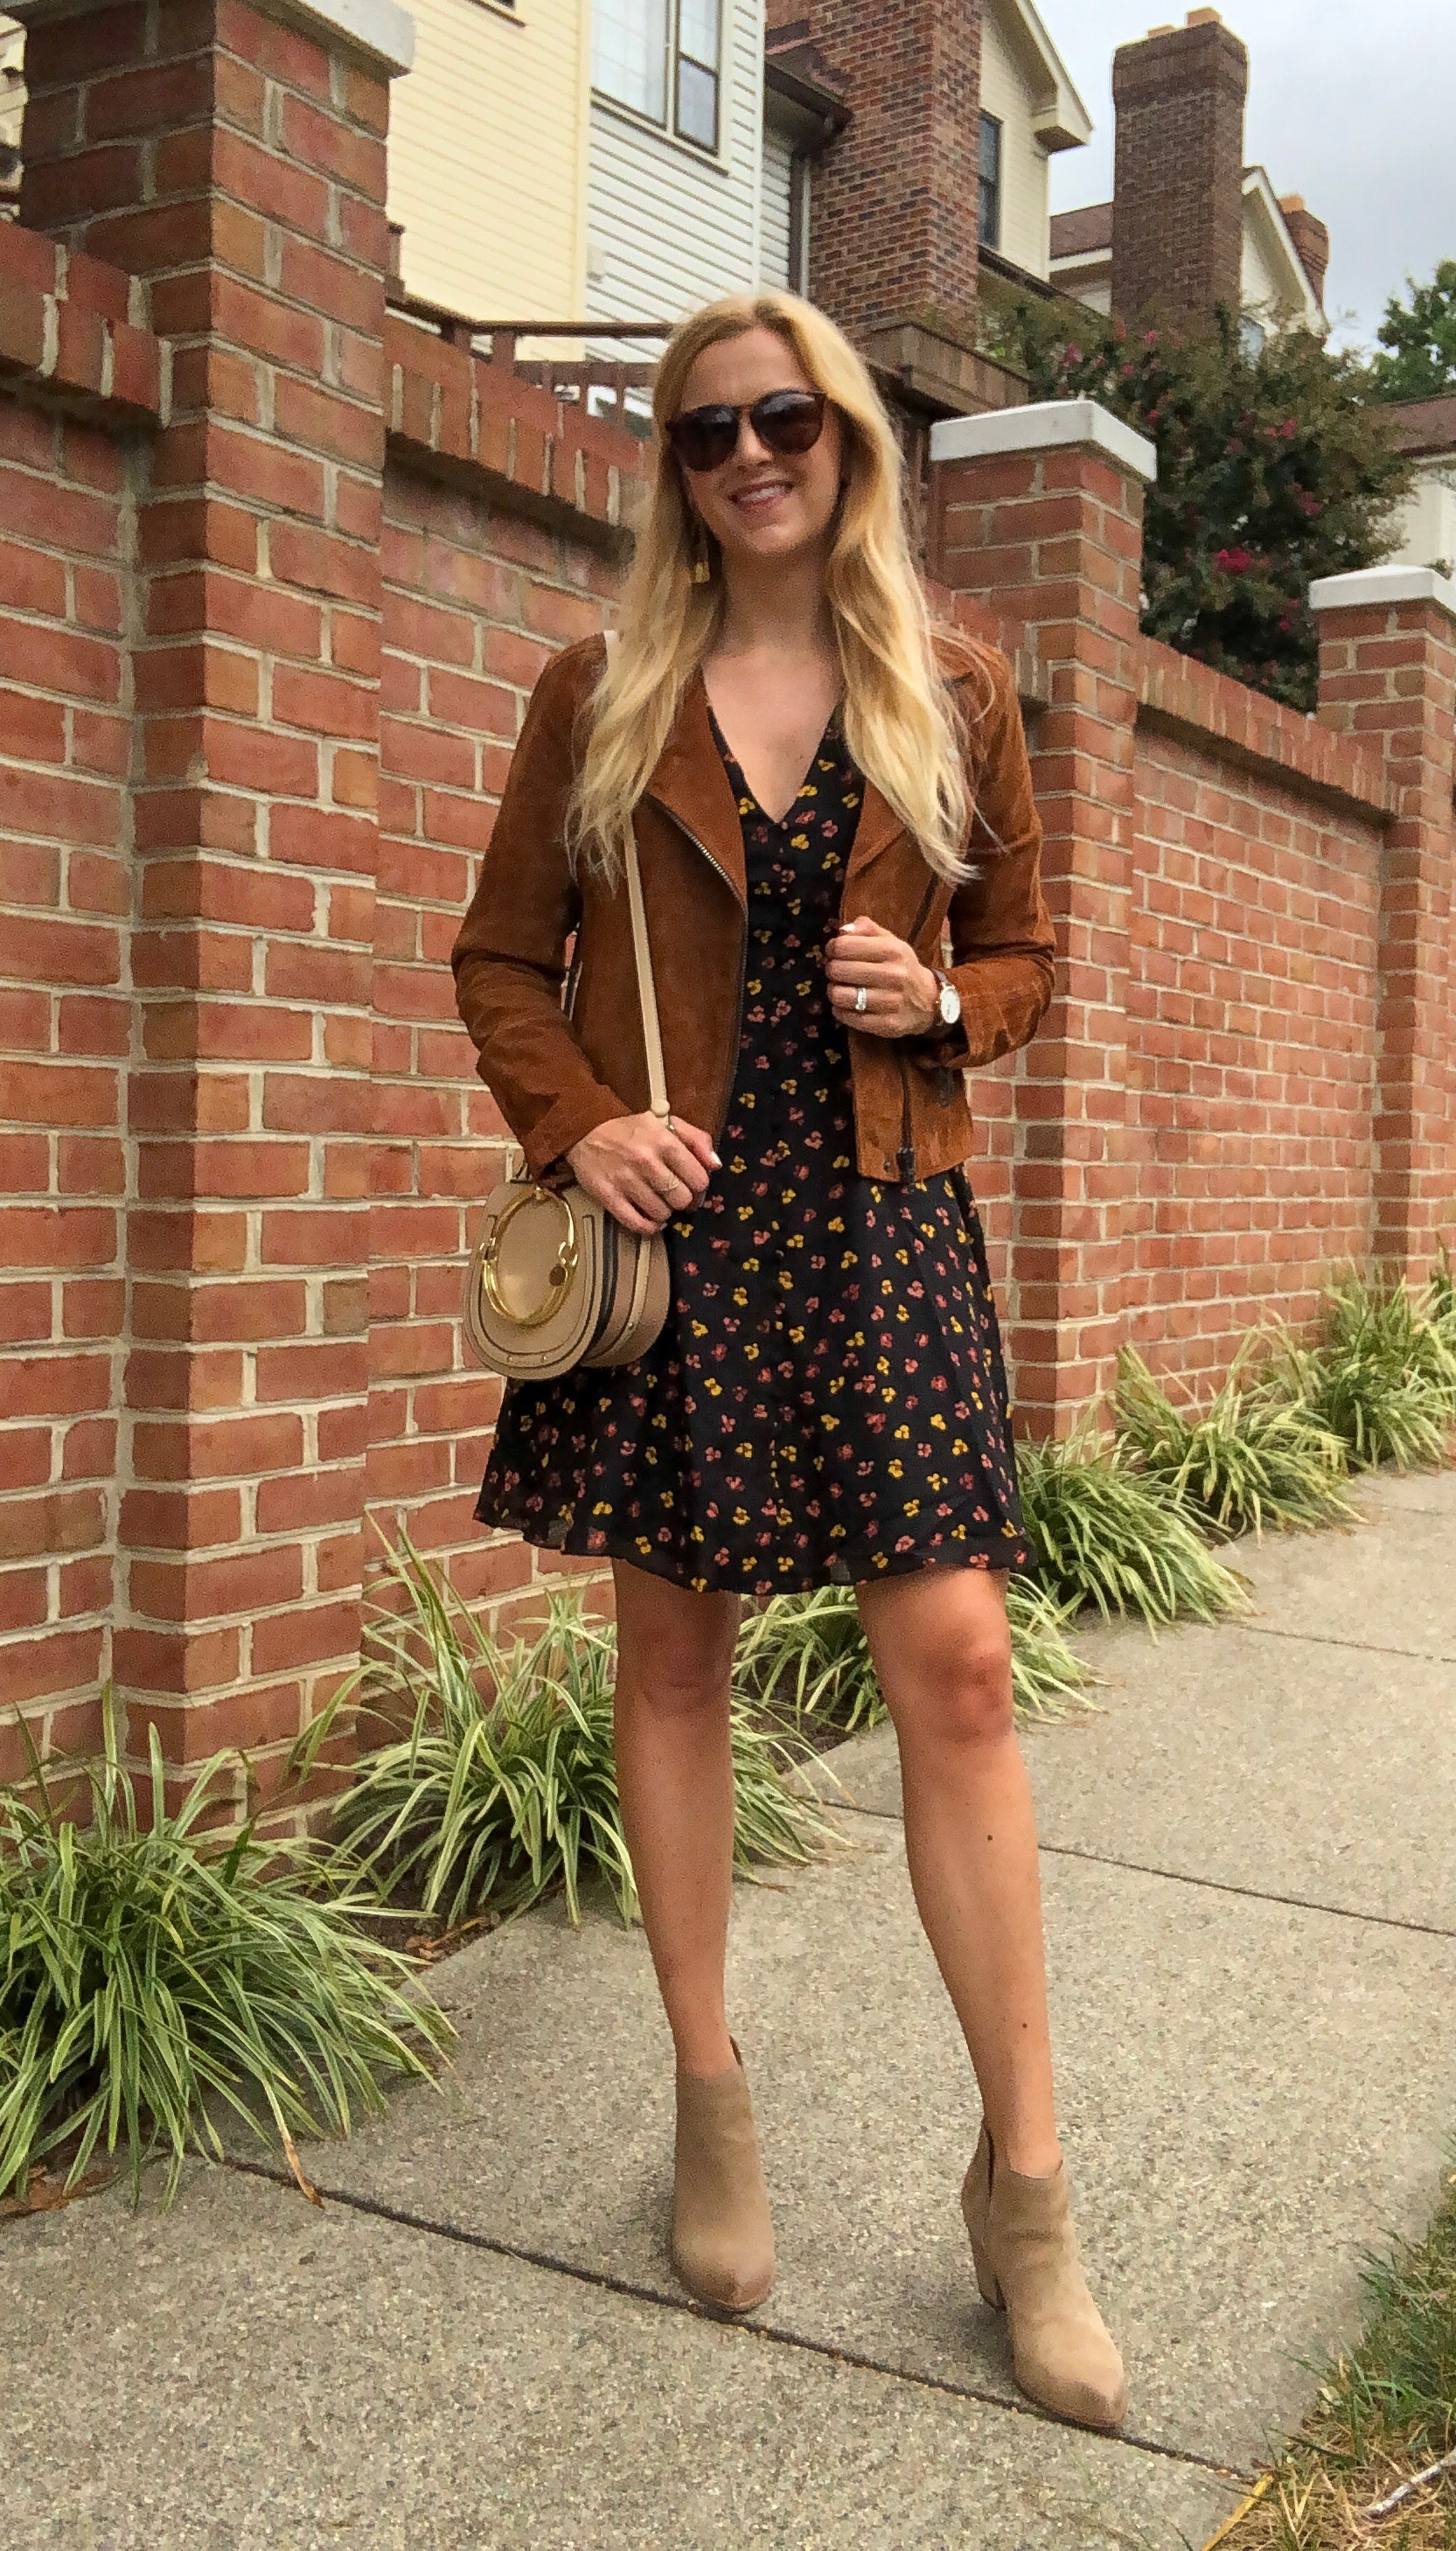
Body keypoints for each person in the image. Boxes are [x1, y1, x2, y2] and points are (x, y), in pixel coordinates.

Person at [449, 290, 1125, 2432]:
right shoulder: (598, 691)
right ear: (672, 466)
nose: (750, 455)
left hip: (881, 1224)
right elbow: (496, 958)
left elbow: (1025, 946)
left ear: (847, 439)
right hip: (678, 1243)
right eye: (706, 429)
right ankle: (707, 2094)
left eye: (786, 419)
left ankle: (1024, 2191)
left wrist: (944, 1005)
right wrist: (580, 1122)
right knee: (672, 1662)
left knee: (959, 1668)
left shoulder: (953, 685)